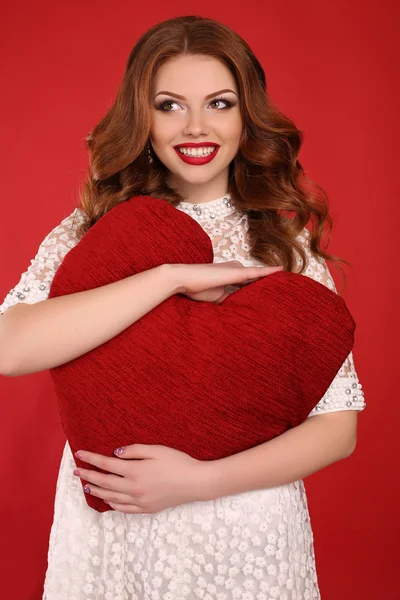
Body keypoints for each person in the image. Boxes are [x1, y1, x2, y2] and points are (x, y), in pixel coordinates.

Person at [0, 15, 366, 600]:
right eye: (170, 105)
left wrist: (197, 481)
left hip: (240, 525)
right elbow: (10, 347)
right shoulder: (92, 232)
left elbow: (337, 429)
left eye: (219, 103)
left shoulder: (282, 250)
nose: (196, 126)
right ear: (141, 119)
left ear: (247, 116)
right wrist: (170, 276)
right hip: (113, 531)